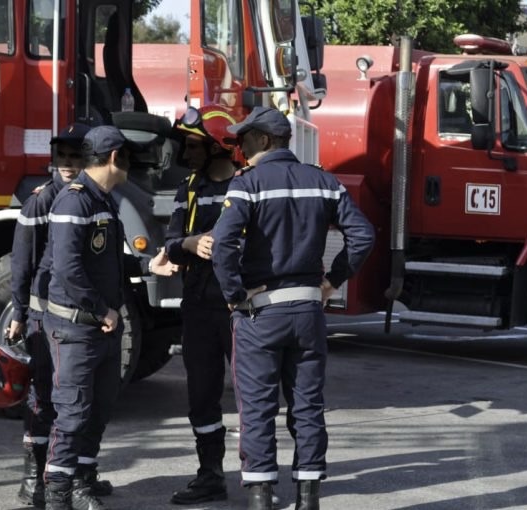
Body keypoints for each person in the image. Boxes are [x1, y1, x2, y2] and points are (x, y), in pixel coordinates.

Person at [211, 107, 375, 510]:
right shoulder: (324, 181)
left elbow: (222, 244)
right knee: (307, 405)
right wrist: (333, 280)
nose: (239, 148)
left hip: (260, 313)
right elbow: (363, 235)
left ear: (265, 140)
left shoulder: (247, 184)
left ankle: (260, 498)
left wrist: (234, 293)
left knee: (257, 408)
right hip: (307, 312)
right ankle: (308, 497)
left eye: (244, 140)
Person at [41, 125, 176, 510]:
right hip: (76, 328)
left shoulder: (103, 199)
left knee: (98, 408)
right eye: (129, 156)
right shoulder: (75, 202)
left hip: (100, 329)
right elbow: (67, 269)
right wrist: (102, 310)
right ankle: (58, 494)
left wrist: (148, 265)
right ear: (115, 157)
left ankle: (83, 479)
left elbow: (108, 261)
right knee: (73, 412)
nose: (131, 164)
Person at [8, 122, 110, 508]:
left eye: (75, 156)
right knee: (44, 397)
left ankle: (81, 477)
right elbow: (22, 262)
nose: (67, 164)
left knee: (81, 401)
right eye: (61, 156)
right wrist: (19, 311)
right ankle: (33, 479)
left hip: (71, 314)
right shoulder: (42, 201)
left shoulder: (90, 198)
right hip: (43, 313)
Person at [162, 106, 240, 505]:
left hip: (238, 309)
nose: (186, 154)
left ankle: (259, 480)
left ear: (217, 147)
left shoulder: (246, 187)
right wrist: (189, 244)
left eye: (194, 146)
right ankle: (210, 475)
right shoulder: (188, 189)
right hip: (197, 307)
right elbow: (171, 244)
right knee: (202, 394)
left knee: (253, 397)